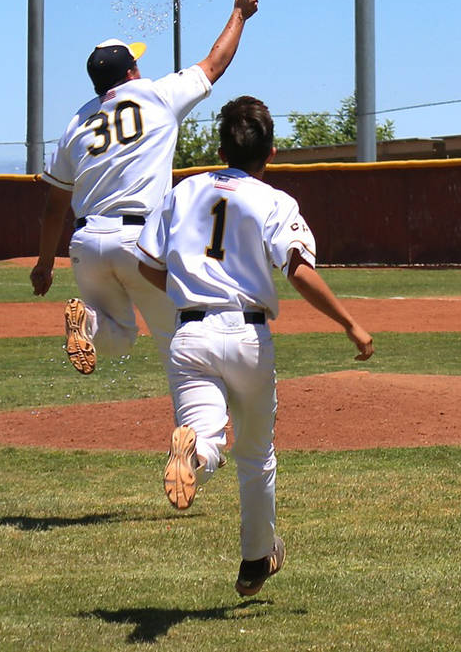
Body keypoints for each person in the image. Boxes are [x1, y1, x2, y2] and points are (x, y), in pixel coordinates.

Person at [136, 96, 374, 596]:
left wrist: (188, 295)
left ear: (220, 146)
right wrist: (350, 323)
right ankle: (254, 561)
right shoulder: (273, 200)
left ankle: (196, 454)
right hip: (247, 335)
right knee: (256, 455)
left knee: (207, 432)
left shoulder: (182, 192)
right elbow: (298, 269)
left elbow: (147, 266)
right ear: (270, 153)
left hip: (190, 332)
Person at [31, 0, 262, 375]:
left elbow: (54, 207)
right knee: (183, 341)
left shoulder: (77, 123)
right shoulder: (156, 95)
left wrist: (43, 264)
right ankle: (199, 430)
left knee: (118, 338)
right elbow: (214, 64)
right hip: (141, 241)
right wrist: (240, 12)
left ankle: (87, 319)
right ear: (131, 72)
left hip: (86, 244)